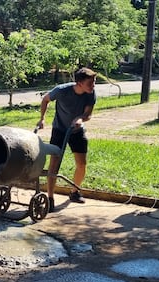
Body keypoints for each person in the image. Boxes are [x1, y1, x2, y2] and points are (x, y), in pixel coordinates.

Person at [36, 67, 97, 212]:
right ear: (79, 83)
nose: (93, 85)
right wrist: (42, 118)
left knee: (81, 164)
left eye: (94, 82)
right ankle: (50, 198)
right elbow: (45, 100)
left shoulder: (90, 94)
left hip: (77, 131)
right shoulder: (61, 90)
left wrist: (81, 119)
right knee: (54, 165)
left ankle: (74, 192)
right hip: (59, 130)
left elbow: (88, 114)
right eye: (90, 83)